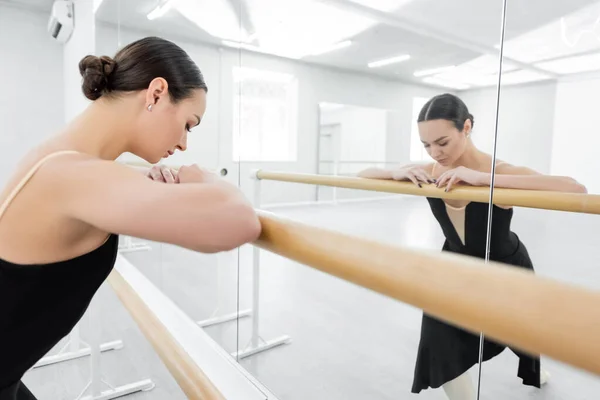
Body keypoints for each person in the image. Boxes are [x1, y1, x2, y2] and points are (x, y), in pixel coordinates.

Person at [0, 36, 261, 400]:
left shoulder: (66, 162)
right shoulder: (69, 175)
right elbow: (240, 222)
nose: (185, 143)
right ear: (155, 93)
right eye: (189, 123)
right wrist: (208, 180)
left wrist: (154, 185)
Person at [358, 93, 586, 399]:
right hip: (453, 266)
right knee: (437, 346)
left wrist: (481, 179)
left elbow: (574, 188)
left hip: (505, 268)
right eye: (426, 145)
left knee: (521, 334)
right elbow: (361, 174)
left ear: (466, 127)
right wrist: (393, 172)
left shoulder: (497, 169)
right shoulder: (431, 171)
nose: (435, 152)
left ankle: (536, 368)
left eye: (442, 142)